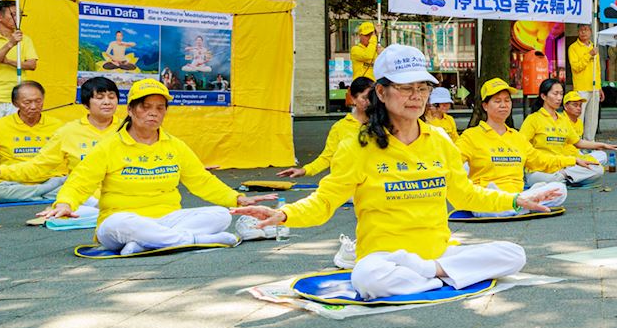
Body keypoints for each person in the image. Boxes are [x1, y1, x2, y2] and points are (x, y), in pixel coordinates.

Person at [233, 47, 558, 299]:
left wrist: (516, 200)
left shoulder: (440, 141)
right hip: (384, 257)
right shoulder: (357, 147)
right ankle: (438, 276)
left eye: (423, 88)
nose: (416, 96)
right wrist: (283, 215)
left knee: (513, 254)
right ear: (382, 92)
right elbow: (324, 203)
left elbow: (466, 194)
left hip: (437, 253)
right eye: (405, 88)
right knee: (367, 278)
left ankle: (428, 273)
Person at [40, 79, 262, 254]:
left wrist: (237, 199)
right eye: (145, 107)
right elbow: (80, 181)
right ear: (130, 110)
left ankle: (147, 243)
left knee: (221, 215)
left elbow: (201, 181)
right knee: (119, 222)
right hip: (121, 221)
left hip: (166, 218)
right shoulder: (109, 146)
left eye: (159, 108)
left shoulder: (175, 145)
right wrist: (65, 203)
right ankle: (196, 240)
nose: (153, 113)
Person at [457, 78, 582, 216]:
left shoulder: (517, 137)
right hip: (488, 195)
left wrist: (572, 160)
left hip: (517, 193)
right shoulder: (471, 136)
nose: (503, 105)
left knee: (559, 190)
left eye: (507, 100)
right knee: (490, 199)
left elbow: (540, 160)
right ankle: (523, 203)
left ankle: (521, 203)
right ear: (485, 106)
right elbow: (451, 163)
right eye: (497, 101)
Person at [520, 77, 611, 186]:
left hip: (562, 166)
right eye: (555, 94)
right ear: (543, 96)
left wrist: (601, 145)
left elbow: (578, 142)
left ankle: (562, 177)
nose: (559, 98)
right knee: (546, 179)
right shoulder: (533, 119)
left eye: (561, 94)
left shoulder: (563, 119)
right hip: (540, 169)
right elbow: (521, 145)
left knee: (598, 170)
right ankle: (563, 179)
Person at [0, 80, 66, 202]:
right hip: (14, 182)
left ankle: (33, 195)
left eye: (38, 101)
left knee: (79, 188)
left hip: (51, 179)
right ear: (15, 103)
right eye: (27, 102)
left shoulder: (58, 125)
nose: (33, 106)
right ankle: (43, 193)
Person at [278, 76, 374, 178]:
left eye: (372, 97)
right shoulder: (340, 127)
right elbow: (327, 157)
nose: (369, 102)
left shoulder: (382, 124)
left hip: (376, 186)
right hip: (346, 185)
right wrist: (304, 170)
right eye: (364, 97)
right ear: (353, 99)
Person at [0, 0, 38, 136]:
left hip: (17, 95)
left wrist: (7, 61)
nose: (17, 18)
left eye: (20, 14)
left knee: (14, 136)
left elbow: (32, 64)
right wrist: (10, 44)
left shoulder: (25, 39)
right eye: (13, 14)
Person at [567, 24, 602, 140]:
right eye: (581, 30)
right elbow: (576, 67)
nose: (583, 32)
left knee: (592, 118)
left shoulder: (594, 47)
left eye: (586, 30)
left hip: (594, 88)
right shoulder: (573, 48)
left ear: (591, 32)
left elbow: (597, 69)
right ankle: (577, 141)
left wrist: (599, 86)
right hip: (581, 88)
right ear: (577, 32)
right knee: (579, 117)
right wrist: (589, 55)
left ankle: (590, 142)